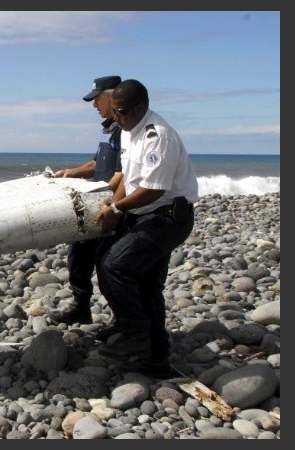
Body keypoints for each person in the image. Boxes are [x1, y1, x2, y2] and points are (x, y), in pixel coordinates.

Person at [94, 80, 198, 377]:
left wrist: (115, 209)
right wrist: (115, 207)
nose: (116, 118)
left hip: (167, 218)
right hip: (144, 215)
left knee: (116, 266)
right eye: (113, 112)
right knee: (145, 284)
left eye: (122, 112)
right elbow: (129, 175)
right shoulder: (129, 130)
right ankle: (156, 358)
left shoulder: (158, 136)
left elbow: (153, 189)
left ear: (141, 108)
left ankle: (134, 335)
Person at [49, 75, 124, 327]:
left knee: (108, 265)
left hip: (112, 205)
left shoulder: (125, 131)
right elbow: (96, 164)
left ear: (113, 97)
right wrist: (69, 172)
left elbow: (122, 174)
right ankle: (81, 307)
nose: (94, 106)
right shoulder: (107, 129)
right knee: (78, 255)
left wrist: (109, 204)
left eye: (97, 100)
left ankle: (121, 319)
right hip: (97, 202)